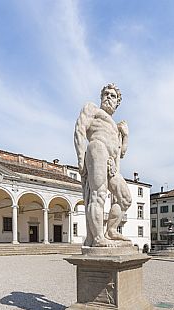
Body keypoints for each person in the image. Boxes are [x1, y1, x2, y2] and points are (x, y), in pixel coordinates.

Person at [74, 83, 132, 247]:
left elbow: (122, 152)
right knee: (98, 194)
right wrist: (80, 158)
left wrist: (125, 135)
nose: (108, 97)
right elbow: (79, 129)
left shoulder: (115, 125)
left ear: (117, 103)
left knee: (125, 199)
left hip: (111, 162)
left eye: (113, 96)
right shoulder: (92, 109)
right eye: (106, 94)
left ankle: (111, 230)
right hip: (97, 149)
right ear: (101, 97)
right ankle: (98, 238)